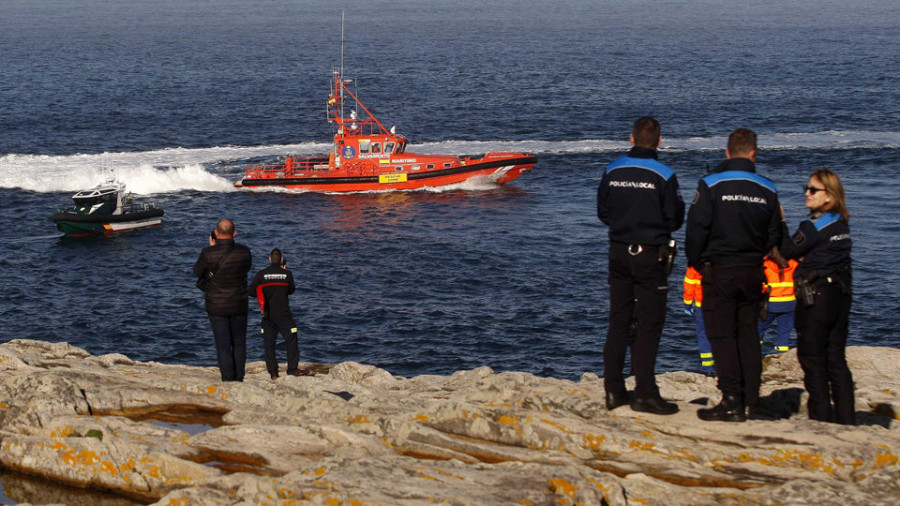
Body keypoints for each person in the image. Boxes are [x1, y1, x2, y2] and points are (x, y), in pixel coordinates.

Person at [685, 128, 782, 422]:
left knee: (721, 335)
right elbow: (775, 235)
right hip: (753, 271)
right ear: (754, 153)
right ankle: (751, 399)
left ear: (727, 153)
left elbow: (695, 230)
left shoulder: (711, 184)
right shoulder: (768, 189)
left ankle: (730, 398)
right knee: (749, 335)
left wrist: (699, 262)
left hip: (720, 270)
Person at [597, 117, 685, 414]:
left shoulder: (612, 169)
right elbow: (675, 218)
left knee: (619, 320)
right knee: (649, 323)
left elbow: (603, 212)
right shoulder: (664, 175)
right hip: (650, 255)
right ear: (660, 141)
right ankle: (645, 391)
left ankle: (613, 389)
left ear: (631, 138)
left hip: (618, 251)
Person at [779, 168, 855, 425]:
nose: (807, 194)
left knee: (812, 357)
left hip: (817, 297)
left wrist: (780, 223)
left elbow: (787, 249)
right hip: (840, 295)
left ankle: (821, 418)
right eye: (807, 189)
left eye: (813, 190)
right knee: (835, 357)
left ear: (829, 195)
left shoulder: (813, 225)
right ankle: (846, 417)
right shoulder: (841, 224)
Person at [194, 219, 252, 382]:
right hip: (239, 304)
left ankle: (227, 380)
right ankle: (239, 378)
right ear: (234, 233)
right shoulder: (244, 252)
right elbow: (247, 267)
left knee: (223, 346)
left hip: (216, 306)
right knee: (239, 344)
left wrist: (212, 249)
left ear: (216, 234)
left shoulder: (208, 253)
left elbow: (197, 271)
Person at [249, 248, 309, 380]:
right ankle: (292, 369)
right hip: (284, 315)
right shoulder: (287, 274)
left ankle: (274, 374)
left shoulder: (261, 274)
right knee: (291, 340)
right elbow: (291, 290)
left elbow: (251, 291)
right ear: (281, 259)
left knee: (269, 344)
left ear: (270, 259)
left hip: (267, 314)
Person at [759, 255, 798, 353]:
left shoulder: (765, 264)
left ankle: (754, 356)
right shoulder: (793, 263)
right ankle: (782, 355)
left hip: (770, 303)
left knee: (758, 330)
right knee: (784, 334)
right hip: (790, 302)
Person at [682, 266, 715, 375]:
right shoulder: (723, 258)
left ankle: (708, 369)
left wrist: (687, 303)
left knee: (704, 335)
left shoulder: (695, 264)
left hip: (702, 304)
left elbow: (689, 284)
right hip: (722, 303)